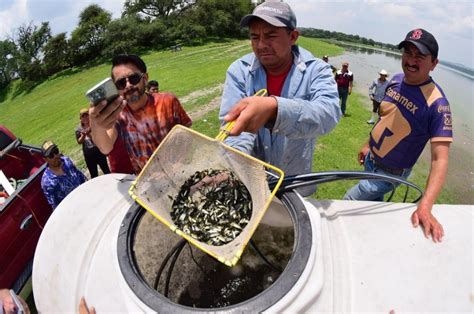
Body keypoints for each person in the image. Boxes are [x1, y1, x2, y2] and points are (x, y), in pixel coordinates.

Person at [220, 0, 341, 196]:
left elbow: (329, 113)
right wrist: (235, 162)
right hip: (250, 180)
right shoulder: (239, 71)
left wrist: (275, 109)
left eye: (270, 36)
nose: (261, 45)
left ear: (293, 36)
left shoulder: (316, 70)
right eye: (254, 37)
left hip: (294, 183)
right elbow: (233, 128)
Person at [344, 28, 452, 243]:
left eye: (420, 56)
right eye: (408, 53)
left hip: (390, 173)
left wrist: (425, 206)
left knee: (348, 202)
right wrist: (368, 145)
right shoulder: (395, 80)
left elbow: (440, 159)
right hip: (371, 161)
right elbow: (385, 117)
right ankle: (369, 240)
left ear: (434, 63)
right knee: (375, 207)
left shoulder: (437, 104)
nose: (411, 60)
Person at [90, 54, 192, 174]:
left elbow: (187, 133)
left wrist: (180, 162)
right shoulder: (119, 114)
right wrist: (95, 122)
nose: (128, 85)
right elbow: (105, 147)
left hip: (181, 171)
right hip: (148, 181)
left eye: (133, 78)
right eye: (121, 83)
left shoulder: (168, 100)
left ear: (145, 78)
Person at [41, 140, 87, 209]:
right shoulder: (47, 181)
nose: (55, 156)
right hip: (72, 210)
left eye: (56, 151)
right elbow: (55, 205)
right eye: (51, 155)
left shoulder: (66, 161)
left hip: (84, 197)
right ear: (45, 159)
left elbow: (80, 175)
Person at [76, 108, 110, 178]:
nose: (85, 118)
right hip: (89, 156)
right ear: (80, 118)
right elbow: (79, 141)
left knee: (106, 171)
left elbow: (98, 139)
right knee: (94, 175)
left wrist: (89, 135)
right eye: (83, 116)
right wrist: (83, 136)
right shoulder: (78, 129)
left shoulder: (95, 125)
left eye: (87, 115)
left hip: (99, 152)